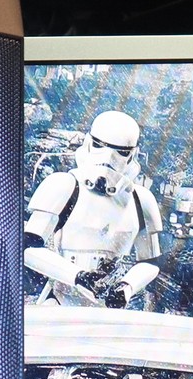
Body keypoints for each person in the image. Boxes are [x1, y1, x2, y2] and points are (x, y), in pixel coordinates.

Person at [24, 110, 164, 307]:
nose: (108, 158)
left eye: (121, 152)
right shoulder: (64, 185)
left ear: (132, 154)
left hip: (108, 308)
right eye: (99, 146)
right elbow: (29, 248)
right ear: (88, 143)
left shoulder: (141, 200)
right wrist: (78, 276)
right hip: (62, 302)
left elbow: (150, 262)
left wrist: (126, 287)